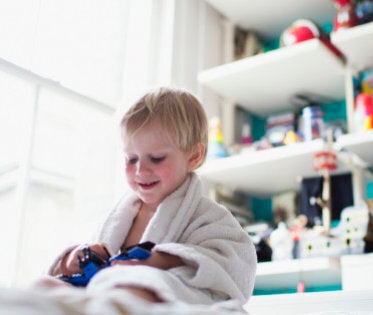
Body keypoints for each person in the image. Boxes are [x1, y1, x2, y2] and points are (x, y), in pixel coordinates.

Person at [43, 87, 257, 307]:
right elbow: (86, 267)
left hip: (165, 297)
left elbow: (236, 266)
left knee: (130, 288)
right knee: (46, 287)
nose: (141, 171)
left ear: (193, 156)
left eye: (156, 158)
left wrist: (163, 260)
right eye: (131, 159)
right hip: (105, 296)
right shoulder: (119, 216)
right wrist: (73, 260)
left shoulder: (210, 217)